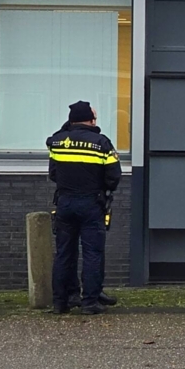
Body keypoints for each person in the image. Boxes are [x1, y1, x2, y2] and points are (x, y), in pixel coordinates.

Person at [46, 101, 121, 315]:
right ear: (91, 120)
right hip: (91, 203)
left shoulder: (58, 142)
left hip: (65, 202)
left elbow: (53, 173)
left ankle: (61, 302)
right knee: (92, 253)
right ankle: (90, 302)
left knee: (64, 254)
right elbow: (114, 176)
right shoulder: (101, 142)